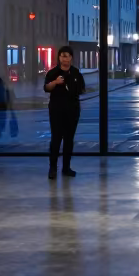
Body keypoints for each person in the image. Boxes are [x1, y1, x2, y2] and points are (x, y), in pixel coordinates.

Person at [44, 45, 84, 178]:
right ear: (59, 57)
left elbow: (82, 89)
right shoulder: (53, 73)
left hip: (72, 111)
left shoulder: (76, 73)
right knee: (56, 139)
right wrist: (55, 82)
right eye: (62, 56)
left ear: (71, 58)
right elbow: (47, 88)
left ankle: (66, 168)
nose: (64, 59)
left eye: (67, 56)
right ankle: (52, 168)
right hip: (56, 110)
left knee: (69, 140)